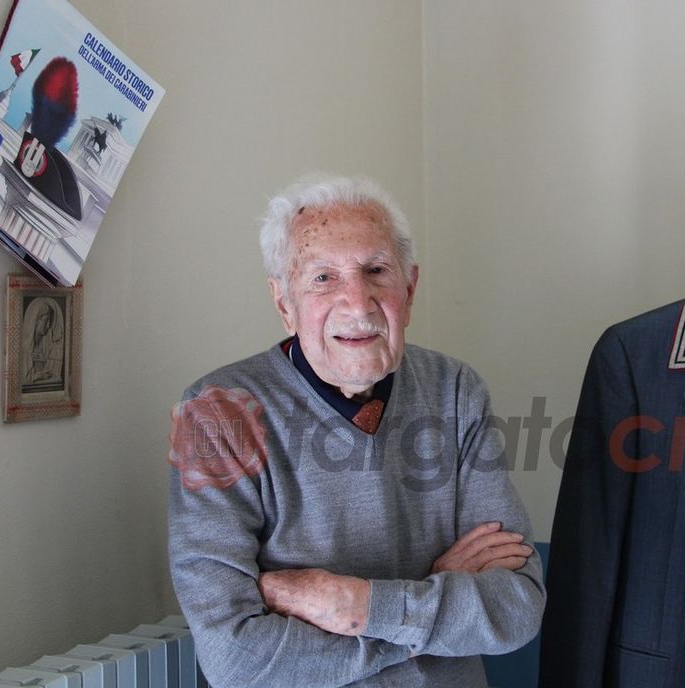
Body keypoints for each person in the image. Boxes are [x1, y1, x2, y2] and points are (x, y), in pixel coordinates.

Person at [168, 174, 545, 687]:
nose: (358, 302)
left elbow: (517, 607)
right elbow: (236, 659)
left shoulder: (456, 390)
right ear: (284, 304)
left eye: (376, 271)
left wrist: (354, 605)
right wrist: (429, 598)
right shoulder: (217, 415)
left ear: (409, 289)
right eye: (323, 277)